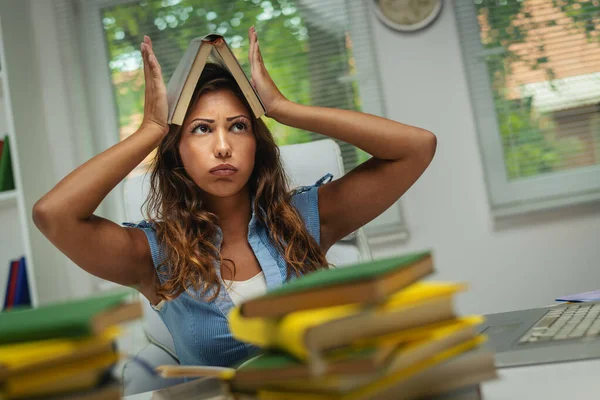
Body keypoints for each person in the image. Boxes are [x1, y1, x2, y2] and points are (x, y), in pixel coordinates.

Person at [33, 26, 436, 368]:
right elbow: (53, 215)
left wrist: (282, 108)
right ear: (178, 151)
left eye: (239, 126)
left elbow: (416, 147)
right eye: (202, 129)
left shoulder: (307, 219)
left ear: (256, 144)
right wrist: (152, 129)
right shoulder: (153, 255)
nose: (223, 146)